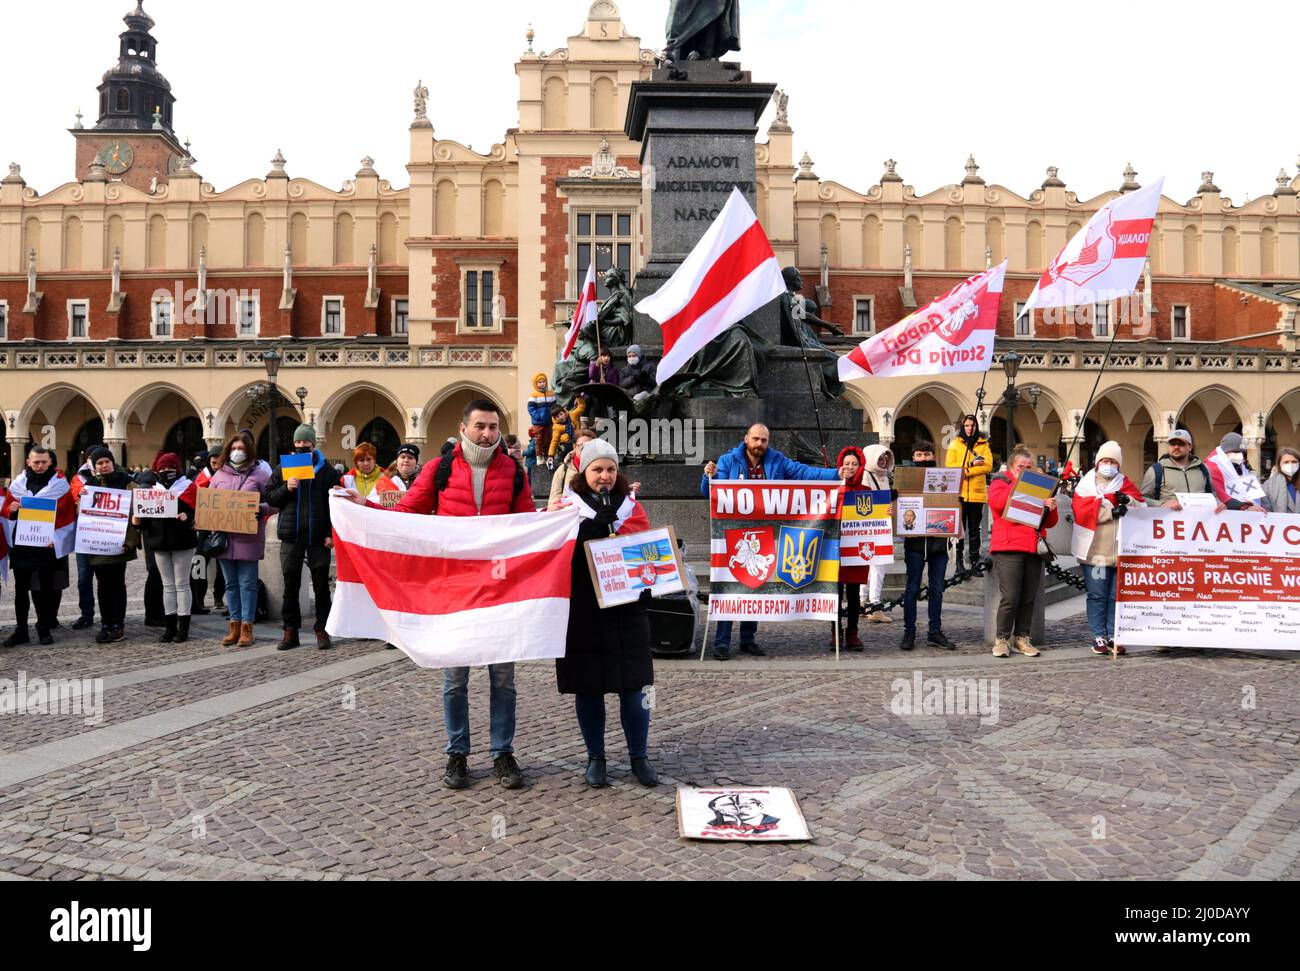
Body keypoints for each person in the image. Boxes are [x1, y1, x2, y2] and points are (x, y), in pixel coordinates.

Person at [356, 399, 536, 791]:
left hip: (499, 588)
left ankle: (502, 752)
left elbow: (528, 524)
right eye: (480, 426)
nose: (487, 433)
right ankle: (457, 753)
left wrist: (554, 516)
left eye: (493, 427)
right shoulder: (438, 470)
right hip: (453, 589)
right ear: (464, 428)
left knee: (503, 678)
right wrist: (364, 510)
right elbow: (408, 511)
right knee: (455, 679)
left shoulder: (513, 471)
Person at [548, 439, 658, 789]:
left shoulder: (631, 508)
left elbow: (648, 551)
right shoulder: (566, 508)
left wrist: (650, 575)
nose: (605, 476)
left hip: (626, 610)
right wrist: (589, 530)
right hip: (584, 609)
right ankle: (596, 757)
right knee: (589, 685)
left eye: (611, 469)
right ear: (584, 473)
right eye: (597, 470)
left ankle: (638, 756)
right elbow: (555, 555)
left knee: (634, 685)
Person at [701, 423, 841, 659]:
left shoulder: (776, 460)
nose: (760, 445)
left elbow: (804, 472)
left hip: (763, 533)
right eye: (756, 439)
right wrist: (708, 476)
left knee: (755, 584)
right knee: (727, 586)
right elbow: (710, 491)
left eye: (764, 440)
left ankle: (747, 639)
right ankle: (721, 642)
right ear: (746, 439)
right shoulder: (727, 461)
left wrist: (837, 474)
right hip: (732, 534)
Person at [266, 425, 342, 652]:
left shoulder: (327, 472)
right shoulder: (283, 469)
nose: (300, 447)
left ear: (312, 445)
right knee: (290, 585)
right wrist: (286, 488)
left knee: (321, 585)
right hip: (291, 535)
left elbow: (334, 504)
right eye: (297, 443)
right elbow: (270, 498)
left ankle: (322, 629)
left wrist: (330, 533)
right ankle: (290, 631)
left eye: (305, 444)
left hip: (318, 536)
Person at [1071, 442, 1144, 656]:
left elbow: (1141, 506)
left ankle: (1114, 634)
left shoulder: (1125, 484)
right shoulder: (1085, 486)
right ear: (1098, 462)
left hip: (1120, 552)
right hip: (1097, 554)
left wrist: (1128, 501)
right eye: (1105, 460)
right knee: (1097, 594)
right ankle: (1098, 635)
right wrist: (1109, 512)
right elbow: (1081, 511)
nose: (1108, 464)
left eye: (1113, 461)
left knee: (1115, 596)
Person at [988, 444, 1059, 658]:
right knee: (1010, 596)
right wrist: (1020, 485)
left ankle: (1022, 637)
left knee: (1029, 597)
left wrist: (1050, 506)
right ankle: (1001, 639)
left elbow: (1050, 523)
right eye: (1021, 466)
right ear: (1012, 467)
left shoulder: (1040, 487)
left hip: (1033, 546)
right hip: (1009, 546)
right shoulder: (1000, 482)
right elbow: (997, 504)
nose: (1025, 469)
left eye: (1029, 467)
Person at [3, 446, 77, 647]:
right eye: (36, 462)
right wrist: (12, 510)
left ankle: (43, 628)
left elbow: (68, 515)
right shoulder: (18, 485)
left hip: (46, 546)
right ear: (28, 462)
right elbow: (6, 513)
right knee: (21, 591)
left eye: (44, 461)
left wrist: (57, 537)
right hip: (22, 546)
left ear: (50, 462)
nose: (40, 465)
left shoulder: (60, 486)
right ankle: (21, 631)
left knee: (44, 590)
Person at [210, 434, 272, 648]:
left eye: (242, 448)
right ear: (228, 450)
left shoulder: (260, 475)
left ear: (249, 451)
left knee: (247, 584)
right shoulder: (219, 475)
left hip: (249, 538)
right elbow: (209, 504)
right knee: (230, 584)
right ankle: (233, 625)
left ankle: (247, 627)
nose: (238, 451)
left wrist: (259, 508)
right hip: (225, 539)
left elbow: (273, 503)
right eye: (234, 447)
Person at [134, 453, 198, 644]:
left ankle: (183, 627)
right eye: (162, 469)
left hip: (182, 542)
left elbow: (199, 514)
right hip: (159, 543)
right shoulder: (153, 491)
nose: (165, 472)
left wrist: (189, 517)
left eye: (169, 469)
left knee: (182, 584)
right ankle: (169, 626)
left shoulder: (189, 488)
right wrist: (138, 522)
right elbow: (145, 521)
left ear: (177, 469)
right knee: (167, 586)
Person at [900, 441, 956, 652]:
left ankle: (935, 631)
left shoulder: (945, 481)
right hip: (914, 544)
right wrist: (894, 504)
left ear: (934, 456)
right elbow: (896, 507)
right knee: (911, 589)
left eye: (927, 454)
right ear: (913, 458)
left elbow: (954, 506)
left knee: (937, 589)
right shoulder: (904, 481)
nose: (924, 458)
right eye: (920, 455)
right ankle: (909, 632)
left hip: (938, 544)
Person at [81, 447, 139, 644]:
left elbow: (135, 515)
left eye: (106, 462)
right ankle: (105, 623)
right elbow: (83, 515)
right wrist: (81, 498)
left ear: (113, 463)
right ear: (94, 466)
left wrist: (129, 542)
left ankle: (117, 624)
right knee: (102, 585)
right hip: (97, 544)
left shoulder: (127, 484)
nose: (104, 466)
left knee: (116, 584)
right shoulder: (90, 485)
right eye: (99, 463)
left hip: (118, 543)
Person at [945, 415, 993, 572]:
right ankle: (959, 563)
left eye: (972, 425)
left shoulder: (983, 445)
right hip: (959, 493)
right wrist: (970, 464)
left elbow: (987, 466)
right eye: (966, 425)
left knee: (974, 529)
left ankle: (974, 561)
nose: (970, 428)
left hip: (977, 494)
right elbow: (950, 466)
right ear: (962, 426)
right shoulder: (955, 444)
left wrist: (966, 472)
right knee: (958, 530)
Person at [834, 446, 868, 651]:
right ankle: (835, 632)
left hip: (857, 548)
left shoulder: (866, 492)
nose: (850, 467)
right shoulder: (833, 489)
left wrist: (887, 510)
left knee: (854, 594)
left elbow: (876, 516)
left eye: (854, 464)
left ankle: (853, 632)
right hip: (836, 549)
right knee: (835, 593)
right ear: (840, 465)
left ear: (860, 466)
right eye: (847, 464)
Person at [859, 444, 896, 625]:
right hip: (873, 528)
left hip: (878, 526)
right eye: (880, 457)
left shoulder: (883, 477)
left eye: (885, 458)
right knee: (877, 567)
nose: (883, 461)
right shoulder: (866, 476)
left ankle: (863, 601)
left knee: (869, 567)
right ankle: (874, 605)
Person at [1140, 428, 1213, 509]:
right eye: (1172, 444)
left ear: (1190, 447)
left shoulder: (1203, 469)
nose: (1176, 447)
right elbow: (1142, 499)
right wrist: (1161, 504)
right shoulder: (1156, 470)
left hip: (1199, 520)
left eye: (1181, 444)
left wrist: (1219, 504)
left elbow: (1213, 496)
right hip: (1170, 520)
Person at [68, 449, 98, 631]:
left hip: (108, 535)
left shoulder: (116, 475)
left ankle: (112, 616)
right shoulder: (78, 479)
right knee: (84, 577)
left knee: (108, 580)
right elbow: (76, 500)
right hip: (85, 535)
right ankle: (86, 614)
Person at [191, 449, 223, 616]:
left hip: (223, 524)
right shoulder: (201, 479)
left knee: (222, 563)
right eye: (214, 463)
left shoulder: (227, 476)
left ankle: (219, 597)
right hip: (204, 526)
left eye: (220, 463)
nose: (217, 467)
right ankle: (199, 598)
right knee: (199, 562)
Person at [1205, 432, 1268, 512]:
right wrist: (1246, 507)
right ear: (1225, 452)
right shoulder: (1213, 467)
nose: (1239, 455)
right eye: (1235, 452)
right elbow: (1221, 495)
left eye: (1241, 452)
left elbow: (1255, 493)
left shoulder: (1241, 467)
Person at [548, 427, 600, 507]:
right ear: (575, 447)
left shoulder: (602, 469)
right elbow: (554, 499)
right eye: (581, 445)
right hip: (569, 515)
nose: (585, 449)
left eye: (589, 445)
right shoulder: (563, 470)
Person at [1265, 447, 1300, 514]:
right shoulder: (1268, 485)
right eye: (1286, 462)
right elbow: (1265, 509)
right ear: (1279, 464)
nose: (1291, 465)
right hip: (1279, 523)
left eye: (1294, 462)